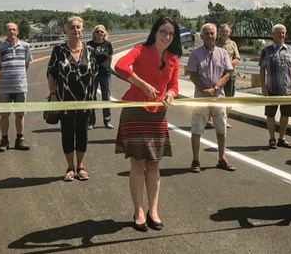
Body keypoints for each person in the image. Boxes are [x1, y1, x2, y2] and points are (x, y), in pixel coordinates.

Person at [114, 16, 181, 232]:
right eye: (163, 32)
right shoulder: (140, 50)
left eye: (171, 33)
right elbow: (120, 65)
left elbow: (174, 85)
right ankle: (139, 210)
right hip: (135, 111)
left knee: (154, 163)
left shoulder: (173, 58)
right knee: (137, 163)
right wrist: (142, 85)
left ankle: (153, 210)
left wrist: (170, 94)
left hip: (157, 115)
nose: (167, 37)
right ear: (154, 32)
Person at [47, 16, 97, 181]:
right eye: (72, 28)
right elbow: (51, 74)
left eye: (78, 27)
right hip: (64, 100)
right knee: (67, 133)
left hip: (84, 101)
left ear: (82, 30)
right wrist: (53, 95)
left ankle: (81, 166)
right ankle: (70, 167)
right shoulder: (59, 51)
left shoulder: (90, 51)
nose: (76, 30)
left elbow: (94, 75)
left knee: (82, 133)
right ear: (66, 31)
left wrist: (93, 97)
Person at [187, 23, 235, 173]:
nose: (210, 36)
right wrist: (204, 90)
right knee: (197, 129)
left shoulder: (223, 53)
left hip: (218, 96)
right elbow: (192, 74)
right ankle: (195, 160)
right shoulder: (195, 54)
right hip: (201, 97)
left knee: (221, 128)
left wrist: (215, 88)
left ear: (216, 35)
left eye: (212, 33)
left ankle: (222, 158)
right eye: (206, 34)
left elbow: (227, 73)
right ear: (201, 36)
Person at [258, 24, 291, 149]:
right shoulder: (266, 51)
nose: (281, 35)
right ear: (273, 35)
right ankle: (272, 138)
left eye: (283, 33)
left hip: (288, 89)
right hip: (272, 89)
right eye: (278, 33)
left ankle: (282, 138)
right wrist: (263, 87)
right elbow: (262, 69)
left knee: (285, 115)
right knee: (270, 115)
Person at [0, 21, 33, 152]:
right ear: (5, 32)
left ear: (18, 31)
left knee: (20, 115)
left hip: (20, 87)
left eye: (13, 29)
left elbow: (26, 64)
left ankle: (19, 139)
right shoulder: (0, 48)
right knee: (4, 115)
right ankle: (4, 140)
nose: (11, 32)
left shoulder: (25, 46)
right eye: (9, 29)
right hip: (4, 87)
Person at [87, 24, 114, 129]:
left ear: (105, 33)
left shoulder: (108, 44)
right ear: (94, 33)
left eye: (102, 32)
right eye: (97, 31)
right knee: (91, 97)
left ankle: (107, 121)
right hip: (92, 75)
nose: (100, 33)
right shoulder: (89, 44)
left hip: (105, 74)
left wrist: (106, 67)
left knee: (106, 98)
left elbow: (110, 58)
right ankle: (91, 121)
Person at [216, 24, 241, 128]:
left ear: (229, 33)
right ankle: (210, 118)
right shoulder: (215, 43)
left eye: (227, 31)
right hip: (217, 75)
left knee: (229, 98)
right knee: (215, 97)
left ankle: (224, 119)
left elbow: (237, 59)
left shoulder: (233, 44)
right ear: (219, 32)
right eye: (223, 31)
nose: (225, 33)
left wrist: (228, 64)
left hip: (230, 75)